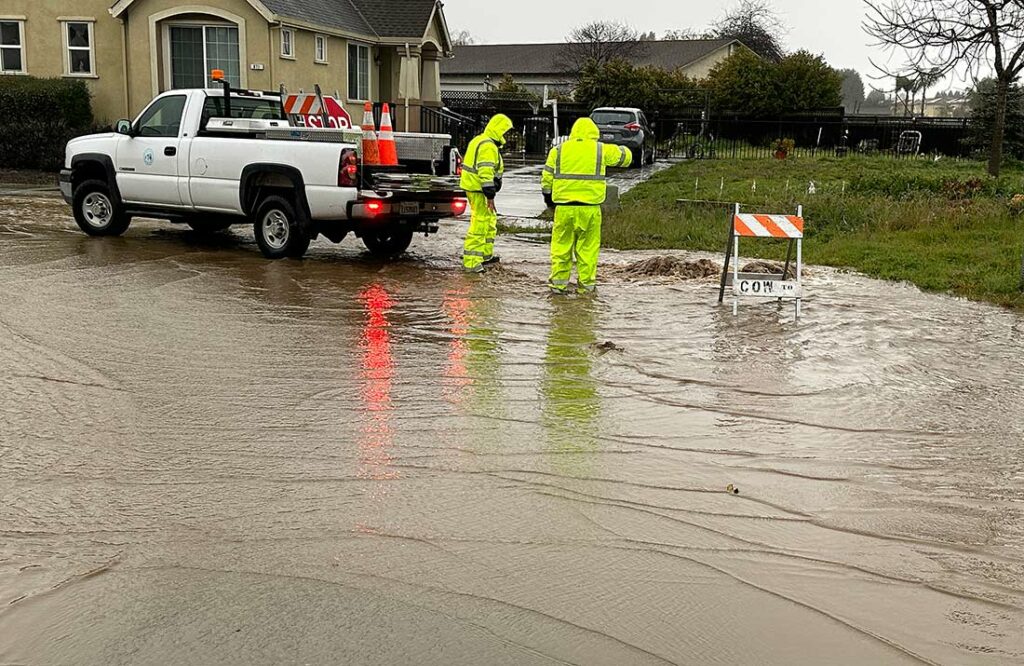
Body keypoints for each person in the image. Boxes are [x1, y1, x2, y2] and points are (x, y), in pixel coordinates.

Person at [541, 118, 632, 294]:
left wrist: (548, 199)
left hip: (564, 208)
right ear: (594, 133)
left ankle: (558, 287)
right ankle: (587, 289)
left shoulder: (558, 150)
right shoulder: (600, 149)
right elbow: (626, 157)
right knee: (588, 250)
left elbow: (546, 178)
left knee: (561, 248)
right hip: (590, 209)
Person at [460, 114, 514, 273]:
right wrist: (490, 194)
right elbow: (485, 172)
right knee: (480, 223)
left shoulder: (481, 140)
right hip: (479, 190)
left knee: (489, 221)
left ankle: (484, 255)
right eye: (505, 132)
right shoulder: (488, 146)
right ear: (498, 131)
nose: (506, 136)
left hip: (477, 188)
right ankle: (471, 262)